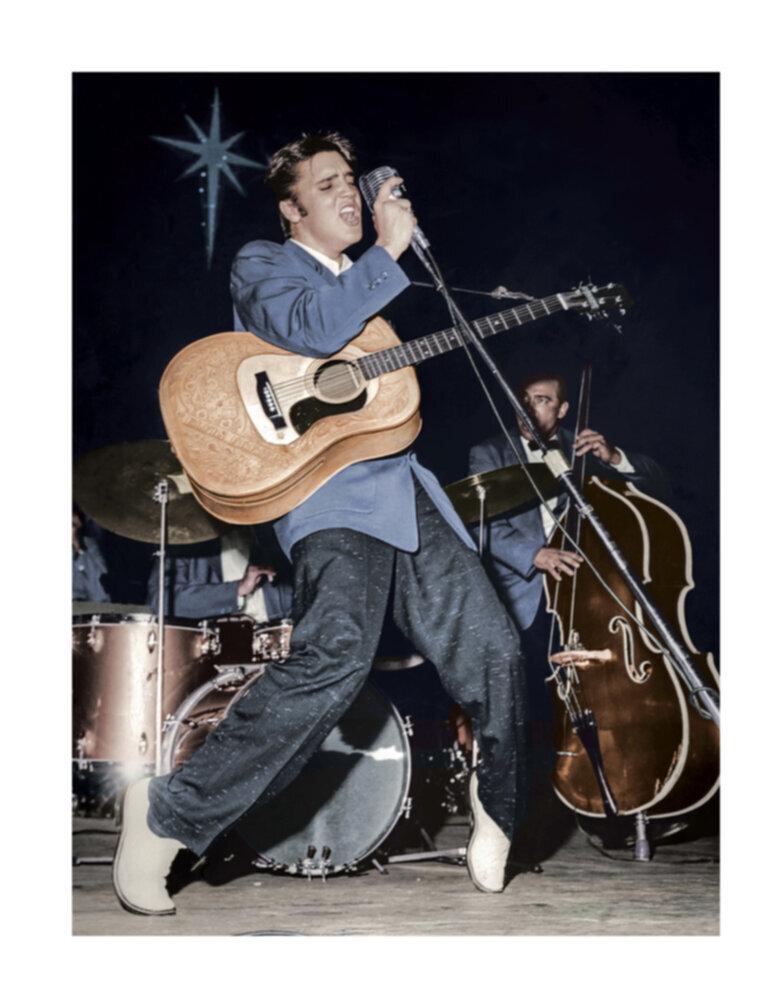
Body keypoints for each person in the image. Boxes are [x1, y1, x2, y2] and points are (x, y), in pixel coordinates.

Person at [113, 131, 530, 914]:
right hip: (333, 499)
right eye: (331, 183)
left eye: (353, 181)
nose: (351, 194)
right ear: (291, 208)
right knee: (335, 657)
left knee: (496, 648)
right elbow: (306, 330)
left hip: (406, 494)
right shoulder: (262, 265)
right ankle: (167, 813)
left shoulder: (377, 289)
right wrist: (389, 251)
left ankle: (499, 811)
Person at [467, 373, 668, 774]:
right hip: (524, 591)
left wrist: (614, 458)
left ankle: (607, 784)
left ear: (561, 410)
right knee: (532, 703)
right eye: (522, 398)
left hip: (588, 591)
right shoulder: (489, 452)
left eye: (541, 400)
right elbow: (478, 522)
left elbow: (657, 484)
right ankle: (539, 792)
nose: (528, 408)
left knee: (601, 693)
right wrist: (533, 554)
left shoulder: (583, 446)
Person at [145, 527, 292, 623]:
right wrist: (237, 590)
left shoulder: (273, 534)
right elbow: (161, 600)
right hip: (215, 648)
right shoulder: (183, 545)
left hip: (277, 642)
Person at [72, 505, 111, 603]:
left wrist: (80, 550)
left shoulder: (90, 544)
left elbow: (101, 578)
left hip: (95, 603)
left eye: (73, 525)